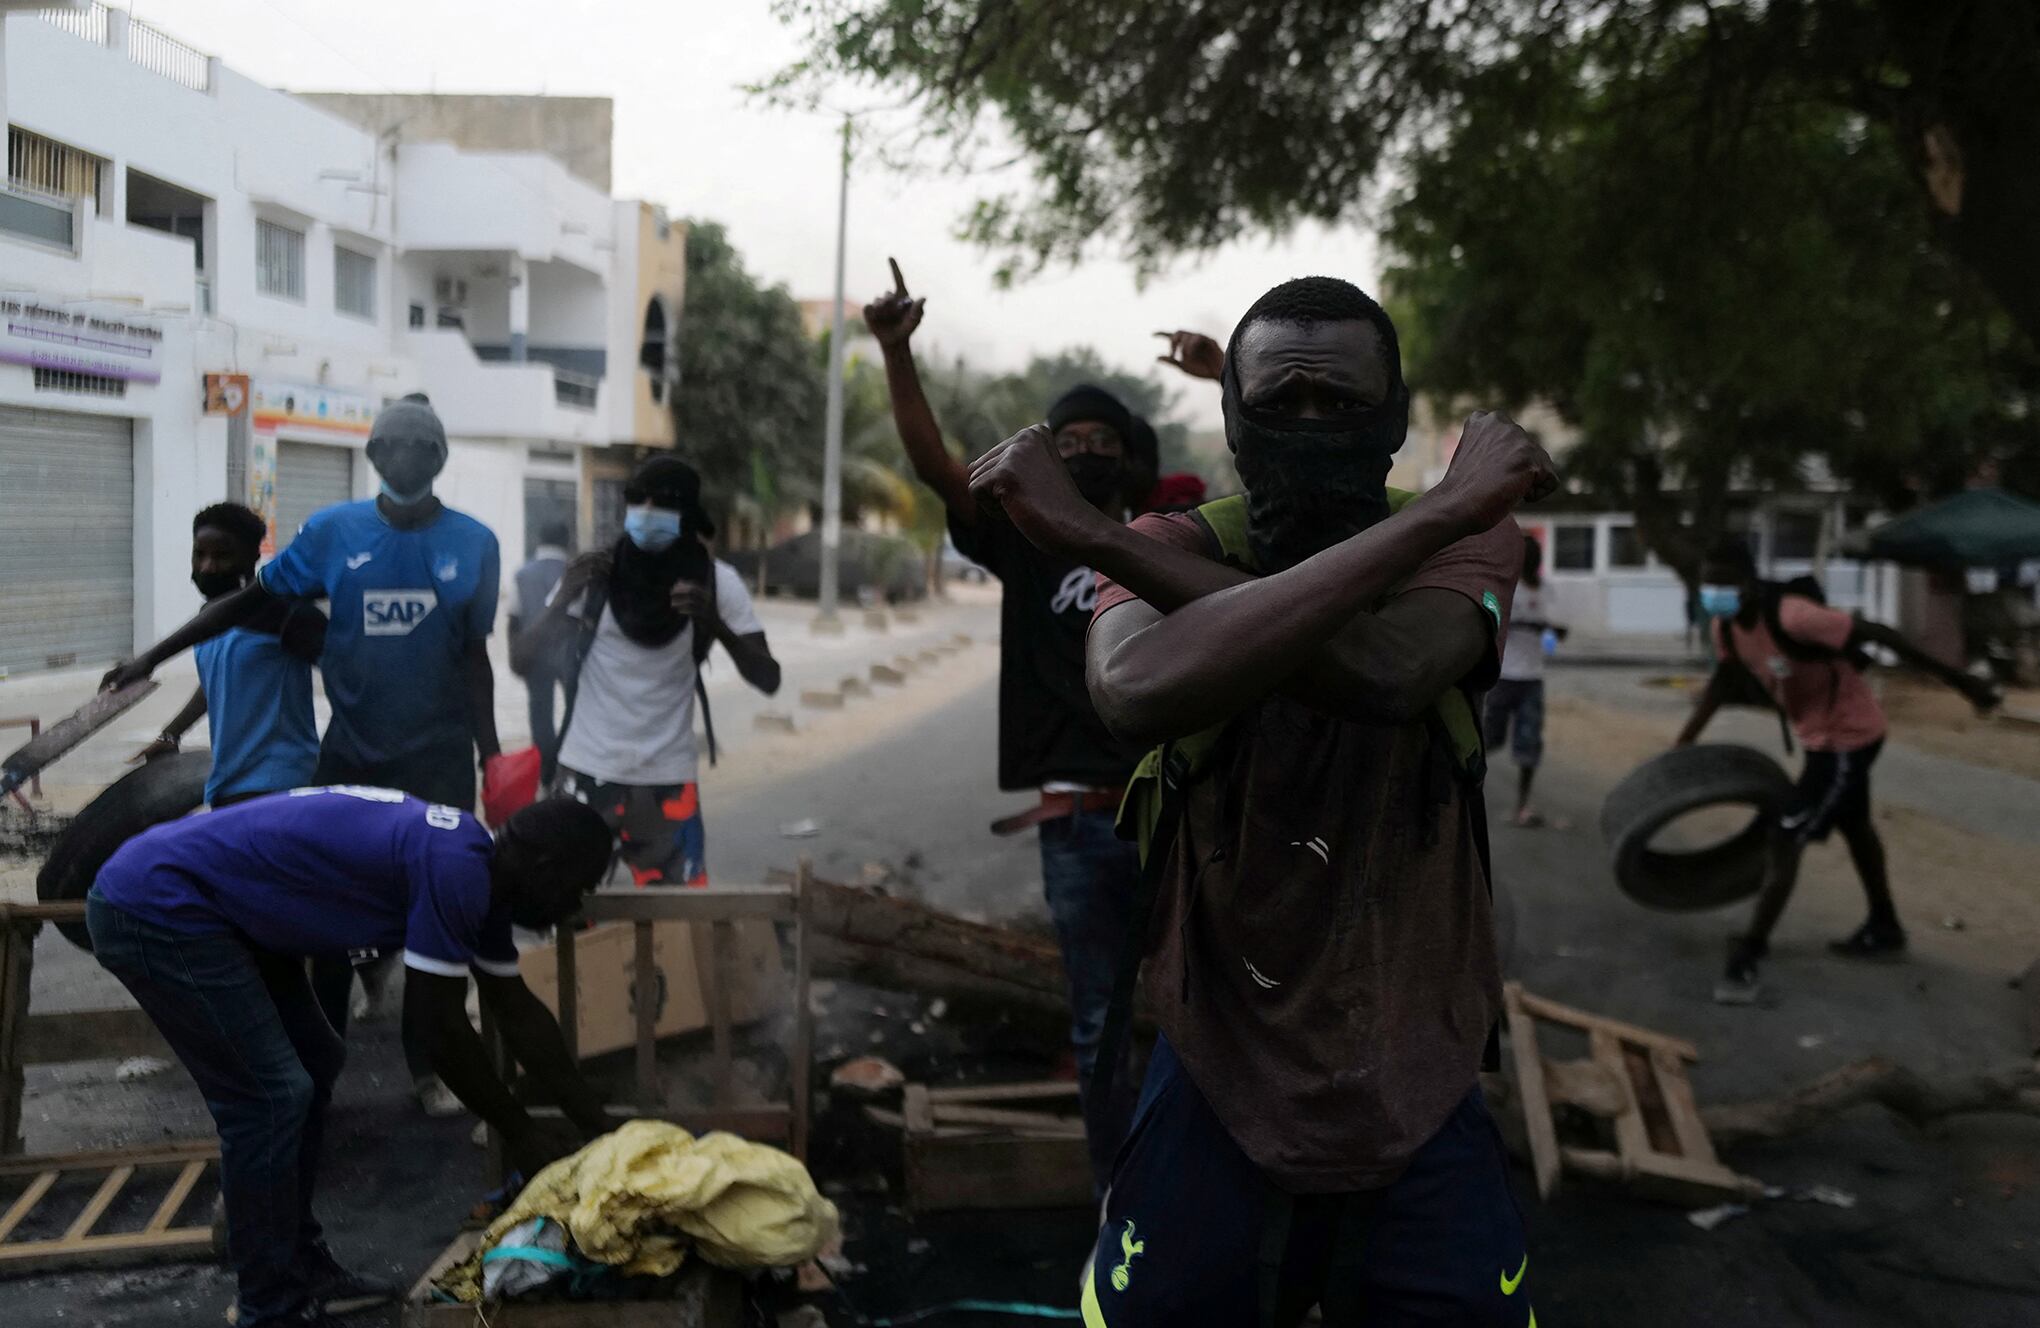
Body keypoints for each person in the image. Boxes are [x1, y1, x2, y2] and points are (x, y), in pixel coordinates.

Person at [971, 277, 1555, 1326]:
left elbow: (1388, 671)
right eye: (1282, 402)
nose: (1312, 425)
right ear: (1234, 417)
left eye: (1343, 403)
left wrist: (1095, 535)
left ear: (1392, 416)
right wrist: (1442, 504)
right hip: (1219, 1059)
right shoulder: (1182, 538)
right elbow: (1135, 688)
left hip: (1416, 1061)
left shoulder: (1471, 540)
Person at [104, 394, 510, 1110]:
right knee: (325, 919)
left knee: (440, 923)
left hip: (440, 759)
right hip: (352, 756)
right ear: (373, 456)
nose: (405, 461)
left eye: (421, 450)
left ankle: (429, 1073)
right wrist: (151, 657)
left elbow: (473, 656)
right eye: (391, 449)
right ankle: (322, 1077)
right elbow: (245, 603)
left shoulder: (475, 543)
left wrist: (494, 754)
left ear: (440, 459)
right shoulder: (331, 532)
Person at [86, 790, 616, 1328]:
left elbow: (517, 1012)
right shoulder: (457, 869)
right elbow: (440, 1029)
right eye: (577, 889)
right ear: (544, 867)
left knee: (315, 1059)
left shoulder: (477, 872)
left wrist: (602, 1130)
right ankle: (268, 1306)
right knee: (270, 1097)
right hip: (158, 903)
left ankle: (297, 1264)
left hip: (220, 910)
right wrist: (520, 1132)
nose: (573, 909)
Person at [864, 259, 1145, 1193]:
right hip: (1077, 823)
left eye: (1103, 439)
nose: (1087, 451)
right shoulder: (1025, 543)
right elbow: (935, 468)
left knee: (1199, 1017)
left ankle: (1193, 1197)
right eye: (1070, 440)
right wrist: (896, 355)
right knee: (1100, 1021)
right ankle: (1120, 1207)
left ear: (1129, 456)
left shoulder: (1168, 544)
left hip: (1173, 814)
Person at [1675, 536, 2001, 1003]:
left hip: (1849, 737)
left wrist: (1963, 683)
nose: (1715, 594)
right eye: (1709, 585)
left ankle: (1749, 954)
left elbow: (1879, 634)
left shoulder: (1793, 616)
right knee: (1855, 826)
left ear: (1748, 582)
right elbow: (1723, 683)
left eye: (1724, 584)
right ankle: (1885, 927)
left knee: (1786, 833)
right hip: (1818, 738)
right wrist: (1683, 743)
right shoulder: (1724, 628)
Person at [513, 457, 779, 888]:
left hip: (667, 782)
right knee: (565, 911)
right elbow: (521, 662)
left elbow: (769, 679)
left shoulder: (717, 583)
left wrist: (715, 624)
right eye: (637, 498)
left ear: (688, 513)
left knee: (678, 918)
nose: (646, 510)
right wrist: (562, 600)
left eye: (663, 501)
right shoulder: (595, 573)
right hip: (585, 771)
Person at [131, 503, 325, 807]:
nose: (207, 567)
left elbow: (346, 673)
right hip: (228, 783)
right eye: (199, 554)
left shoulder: (279, 612)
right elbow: (217, 680)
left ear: (253, 557)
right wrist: (171, 734)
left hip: (278, 784)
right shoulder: (207, 619)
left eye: (222, 556)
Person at [1486, 533, 1565, 827]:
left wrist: (1552, 633)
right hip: (1505, 675)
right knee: (1490, 737)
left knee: (1529, 743)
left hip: (1531, 677)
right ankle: (1462, 788)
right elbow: (1494, 622)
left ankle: (1522, 805)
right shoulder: (1508, 589)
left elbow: (1553, 632)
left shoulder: (1546, 590)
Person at [510, 523, 574, 782]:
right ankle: (568, 761)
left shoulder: (523, 574)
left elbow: (513, 617)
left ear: (539, 540)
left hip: (535, 653)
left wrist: (516, 652)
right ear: (567, 542)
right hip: (570, 654)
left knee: (540, 712)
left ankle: (546, 770)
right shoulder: (574, 573)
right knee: (575, 708)